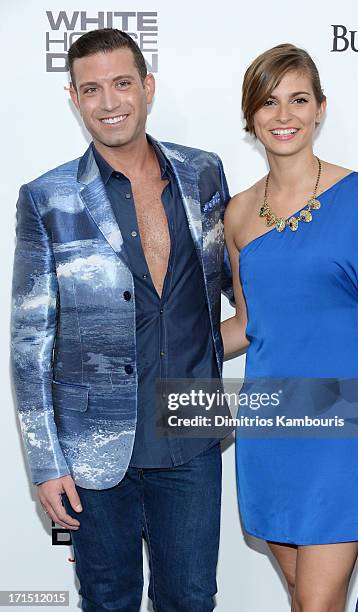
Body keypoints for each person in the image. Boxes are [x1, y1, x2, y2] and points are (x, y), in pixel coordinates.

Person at [11, 28, 233, 611]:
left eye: (121, 84)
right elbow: (30, 342)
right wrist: (45, 460)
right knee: (108, 601)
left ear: (147, 87)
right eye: (92, 90)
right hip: (92, 448)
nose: (109, 103)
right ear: (74, 98)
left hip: (192, 433)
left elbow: (237, 292)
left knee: (190, 598)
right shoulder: (47, 197)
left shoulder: (204, 174)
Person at [221, 43, 358, 611]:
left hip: (343, 431)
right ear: (251, 116)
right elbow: (249, 325)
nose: (284, 116)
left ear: (320, 108)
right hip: (269, 431)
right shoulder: (239, 213)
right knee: (307, 600)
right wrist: (156, 350)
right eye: (270, 102)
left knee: (318, 604)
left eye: (298, 100)